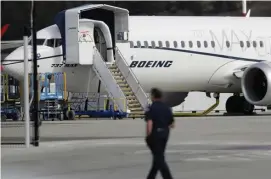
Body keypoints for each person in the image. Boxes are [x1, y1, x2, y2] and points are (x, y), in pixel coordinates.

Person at [145, 88, 174, 179]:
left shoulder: (151, 108)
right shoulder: (167, 107)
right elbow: (172, 124)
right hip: (165, 134)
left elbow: (150, 122)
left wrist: (148, 135)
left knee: (159, 158)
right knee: (158, 156)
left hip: (155, 134)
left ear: (153, 96)